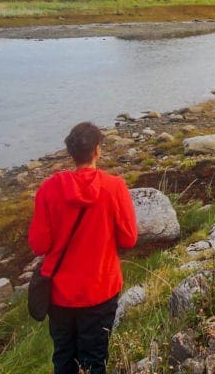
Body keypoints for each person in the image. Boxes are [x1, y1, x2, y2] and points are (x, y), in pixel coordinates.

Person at [28, 121, 138, 374]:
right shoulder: (114, 187)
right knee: (94, 360)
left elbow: (38, 245)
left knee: (64, 359)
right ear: (98, 150)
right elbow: (129, 239)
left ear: (71, 152)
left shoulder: (48, 190)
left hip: (59, 294)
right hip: (100, 290)